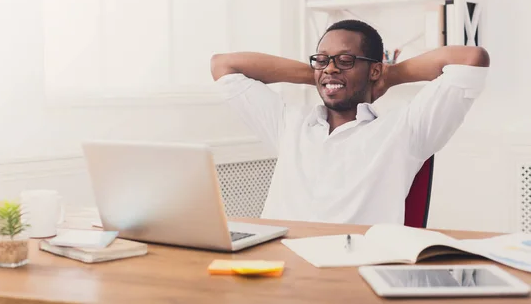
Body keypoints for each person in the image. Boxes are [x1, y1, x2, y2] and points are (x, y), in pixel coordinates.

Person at [210, 19, 490, 225]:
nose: (331, 67)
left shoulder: (406, 129)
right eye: (321, 59)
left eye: (345, 60)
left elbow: (471, 59)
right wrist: (325, 75)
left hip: (354, 271)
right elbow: (223, 65)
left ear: (375, 69)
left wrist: (388, 76)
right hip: (279, 266)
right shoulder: (289, 123)